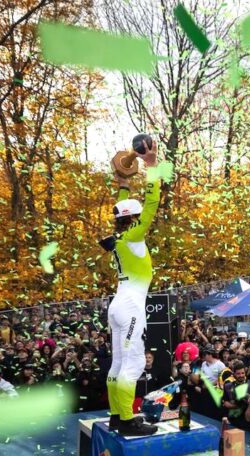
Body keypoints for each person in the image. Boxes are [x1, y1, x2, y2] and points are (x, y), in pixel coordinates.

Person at [100, 136, 162, 437]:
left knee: (118, 363)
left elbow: (121, 208)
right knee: (134, 362)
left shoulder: (119, 236)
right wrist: (152, 166)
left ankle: (116, 415)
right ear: (134, 218)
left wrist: (123, 182)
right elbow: (152, 203)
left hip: (118, 304)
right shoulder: (135, 235)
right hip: (131, 306)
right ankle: (127, 419)